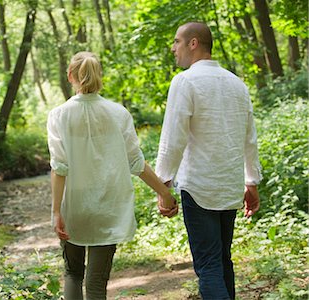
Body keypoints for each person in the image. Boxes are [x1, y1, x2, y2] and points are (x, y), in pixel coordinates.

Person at [47, 51, 178, 300]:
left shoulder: (59, 116)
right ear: (100, 76)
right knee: (96, 282)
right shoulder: (118, 113)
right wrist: (165, 194)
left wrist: (56, 212)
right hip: (108, 205)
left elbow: (60, 167)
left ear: (70, 76)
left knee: (73, 274)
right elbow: (136, 162)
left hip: (74, 205)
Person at [155, 22, 262, 300]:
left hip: (199, 187)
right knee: (222, 261)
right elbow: (249, 138)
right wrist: (251, 181)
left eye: (177, 41)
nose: (173, 48)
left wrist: (161, 185)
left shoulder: (185, 81)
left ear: (193, 43)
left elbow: (173, 137)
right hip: (228, 186)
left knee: (209, 267)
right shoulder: (237, 84)